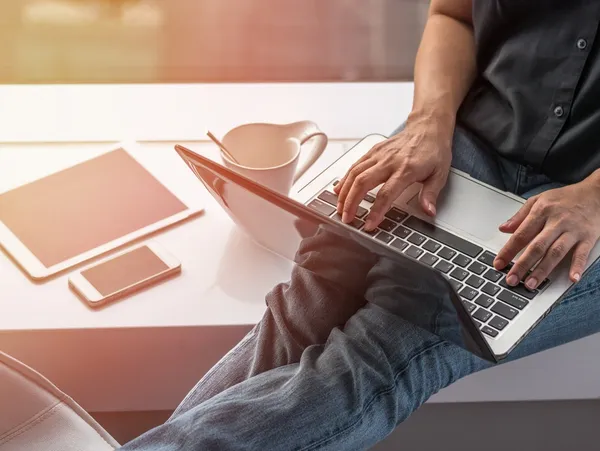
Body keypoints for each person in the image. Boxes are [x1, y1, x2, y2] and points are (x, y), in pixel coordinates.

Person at [121, 0, 600, 449]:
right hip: (467, 140)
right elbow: (453, 14)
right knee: (312, 298)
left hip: (590, 206)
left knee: (390, 347)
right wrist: (426, 122)